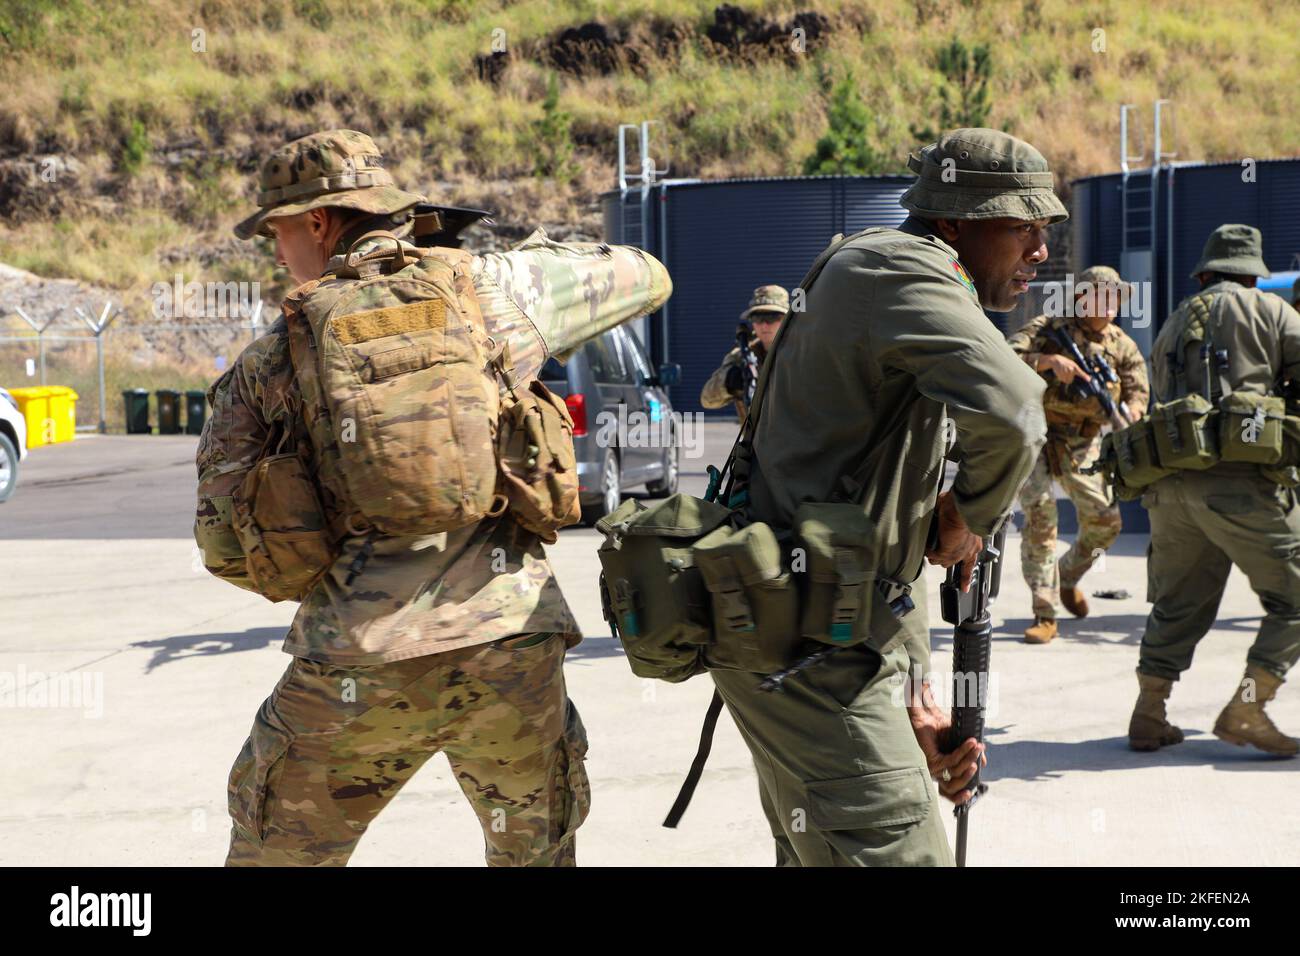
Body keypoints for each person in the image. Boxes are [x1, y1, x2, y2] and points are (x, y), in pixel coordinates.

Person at [196, 129, 671, 865]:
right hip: (511, 645)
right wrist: (507, 265)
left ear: (319, 221)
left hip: (357, 661)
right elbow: (646, 275)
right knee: (534, 856)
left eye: (278, 230)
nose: (278, 250)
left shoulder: (269, 361)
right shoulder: (496, 295)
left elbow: (226, 545)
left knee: (275, 853)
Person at [710, 128, 1060, 865]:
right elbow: (1018, 414)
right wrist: (965, 522)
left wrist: (906, 697)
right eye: (1022, 227)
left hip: (825, 638)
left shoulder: (888, 270)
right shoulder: (901, 270)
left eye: (1045, 229)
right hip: (812, 651)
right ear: (958, 220)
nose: (1040, 251)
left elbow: (882, 513)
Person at [1127, 223, 1300, 757]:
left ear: (1204, 272)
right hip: (1240, 486)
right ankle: (1248, 706)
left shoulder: (1172, 323)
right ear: (1253, 274)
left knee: (1177, 606)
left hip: (1170, 491)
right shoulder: (1271, 311)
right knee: (1294, 600)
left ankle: (1149, 715)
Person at [1007, 266, 1149, 644]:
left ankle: (1067, 577)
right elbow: (1003, 359)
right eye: (1103, 296)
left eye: (1116, 298)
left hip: (1083, 443)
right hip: (1036, 433)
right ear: (1082, 297)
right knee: (1041, 517)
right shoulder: (1048, 328)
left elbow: (1138, 388)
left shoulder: (1121, 344)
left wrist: (1133, 412)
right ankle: (1045, 611)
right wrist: (1047, 362)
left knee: (1106, 521)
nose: (1111, 305)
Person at [700, 285, 788, 419]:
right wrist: (728, 381)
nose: (764, 325)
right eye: (757, 318)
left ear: (787, 320)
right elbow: (707, 399)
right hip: (757, 438)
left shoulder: (803, 353)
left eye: (772, 317)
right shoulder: (741, 356)